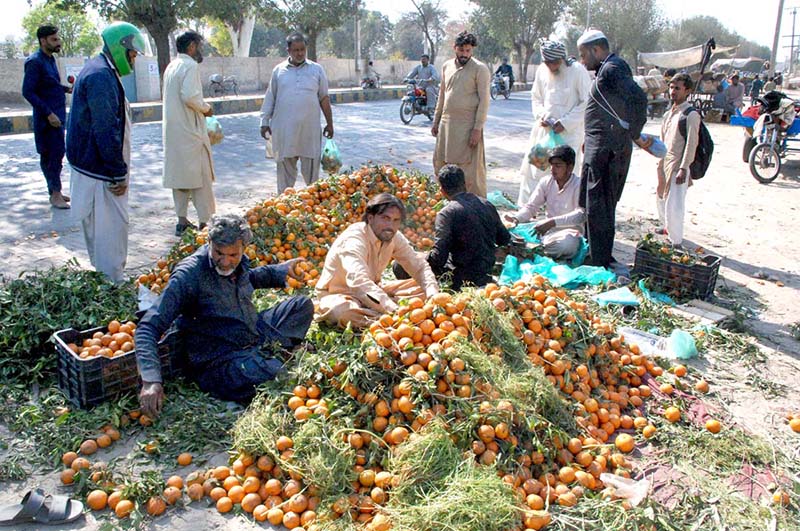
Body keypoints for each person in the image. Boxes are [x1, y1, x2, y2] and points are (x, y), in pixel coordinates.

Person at [135, 214, 314, 416]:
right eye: (219, 253)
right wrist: (151, 380)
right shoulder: (189, 275)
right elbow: (148, 327)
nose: (226, 262)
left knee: (302, 305)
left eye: (233, 256)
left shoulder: (238, 262)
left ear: (243, 249)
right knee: (277, 373)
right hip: (219, 360)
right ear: (209, 242)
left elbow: (249, 279)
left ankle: (267, 353)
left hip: (252, 333)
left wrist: (278, 271)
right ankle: (267, 359)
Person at [66, 22, 145, 283]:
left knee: (104, 235)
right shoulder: (101, 76)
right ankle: (112, 286)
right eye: (132, 55)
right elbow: (104, 129)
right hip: (100, 174)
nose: (133, 61)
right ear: (120, 46)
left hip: (95, 169)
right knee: (109, 234)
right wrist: (117, 173)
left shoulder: (101, 70)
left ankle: (108, 280)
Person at [577, 29, 647, 269]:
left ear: (597, 50)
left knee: (600, 207)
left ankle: (600, 260)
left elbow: (638, 99)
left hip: (608, 152)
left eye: (584, 54)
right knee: (591, 205)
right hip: (599, 148)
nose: (582, 60)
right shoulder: (605, 69)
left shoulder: (612, 69)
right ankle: (593, 253)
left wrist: (632, 132)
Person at [314, 193, 439, 329]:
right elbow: (359, 282)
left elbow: (418, 266)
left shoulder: (393, 236)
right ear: (371, 218)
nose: (390, 225)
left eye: (396, 220)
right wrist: (392, 309)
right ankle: (388, 319)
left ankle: (380, 313)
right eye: (385, 218)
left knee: (423, 287)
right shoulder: (354, 240)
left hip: (374, 289)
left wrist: (433, 294)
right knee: (345, 313)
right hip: (340, 294)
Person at [518, 40, 591, 205]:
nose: (552, 66)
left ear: (562, 59)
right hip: (544, 134)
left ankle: (562, 212)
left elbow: (586, 102)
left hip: (568, 136)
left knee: (565, 175)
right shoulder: (542, 71)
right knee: (534, 172)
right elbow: (536, 97)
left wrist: (565, 123)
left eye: (555, 62)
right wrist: (542, 115)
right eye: (548, 63)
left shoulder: (577, 71)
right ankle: (526, 212)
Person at [260, 32, 334, 194]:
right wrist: (264, 122)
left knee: (312, 176)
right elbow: (270, 96)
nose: (300, 53)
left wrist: (330, 123)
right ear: (288, 51)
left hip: (309, 130)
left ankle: (313, 204)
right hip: (284, 131)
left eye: (302, 49)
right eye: (296, 50)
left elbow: (324, 98)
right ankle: (285, 205)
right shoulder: (278, 71)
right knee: (285, 172)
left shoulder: (317, 70)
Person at [162, 31, 216, 236]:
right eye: (199, 46)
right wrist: (206, 108)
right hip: (190, 132)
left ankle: (182, 220)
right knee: (201, 178)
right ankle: (206, 222)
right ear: (192, 46)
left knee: (180, 178)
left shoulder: (171, 66)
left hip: (174, 133)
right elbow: (190, 97)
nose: (200, 50)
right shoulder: (190, 66)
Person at [425, 164, 511, 289]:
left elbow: (439, 258)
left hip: (461, 278)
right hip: (485, 272)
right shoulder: (487, 204)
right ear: (466, 184)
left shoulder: (447, 213)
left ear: (442, 191)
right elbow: (504, 238)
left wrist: (421, 259)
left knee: (401, 266)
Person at [432, 31, 491, 197]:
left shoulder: (480, 69)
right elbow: (442, 96)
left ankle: (475, 210)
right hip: (446, 126)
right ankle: (450, 205)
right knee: (443, 166)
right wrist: (436, 121)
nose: (464, 54)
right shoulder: (446, 66)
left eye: (468, 51)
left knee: (470, 172)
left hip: (468, 127)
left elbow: (484, 101)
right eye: (461, 50)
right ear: (454, 48)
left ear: (472, 50)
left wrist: (477, 129)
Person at [506, 146, 585, 260]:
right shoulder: (546, 182)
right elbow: (531, 206)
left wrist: (552, 222)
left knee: (567, 246)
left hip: (570, 233)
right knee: (511, 234)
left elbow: (581, 215)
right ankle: (536, 249)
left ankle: (535, 250)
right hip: (546, 232)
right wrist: (516, 219)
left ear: (570, 167)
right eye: (552, 165)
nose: (553, 169)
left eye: (558, 166)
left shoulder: (578, 185)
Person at [22, 25, 71, 209]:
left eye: (58, 39)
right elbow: (28, 91)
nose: (58, 42)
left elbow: (51, 85)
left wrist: (67, 89)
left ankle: (55, 190)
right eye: (54, 39)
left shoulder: (50, 60)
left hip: (58, 115)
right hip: (47, 119)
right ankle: (55, 194)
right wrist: (48, 113)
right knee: (51, 155)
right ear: (43, 41)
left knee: (58, 154)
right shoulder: (35, 62)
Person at [657, 74, 699, 247]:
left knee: (675, 205)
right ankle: (666, 228)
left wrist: (684, 167)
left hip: (678, 165)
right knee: (661, 196)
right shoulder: (669, 114)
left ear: (687, 91)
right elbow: (663, 140)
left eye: (677, 88)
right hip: (665, 162)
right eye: (671, 87)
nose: (672, 91)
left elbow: (691, 143)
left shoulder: (691, 114)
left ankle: (675, 241)